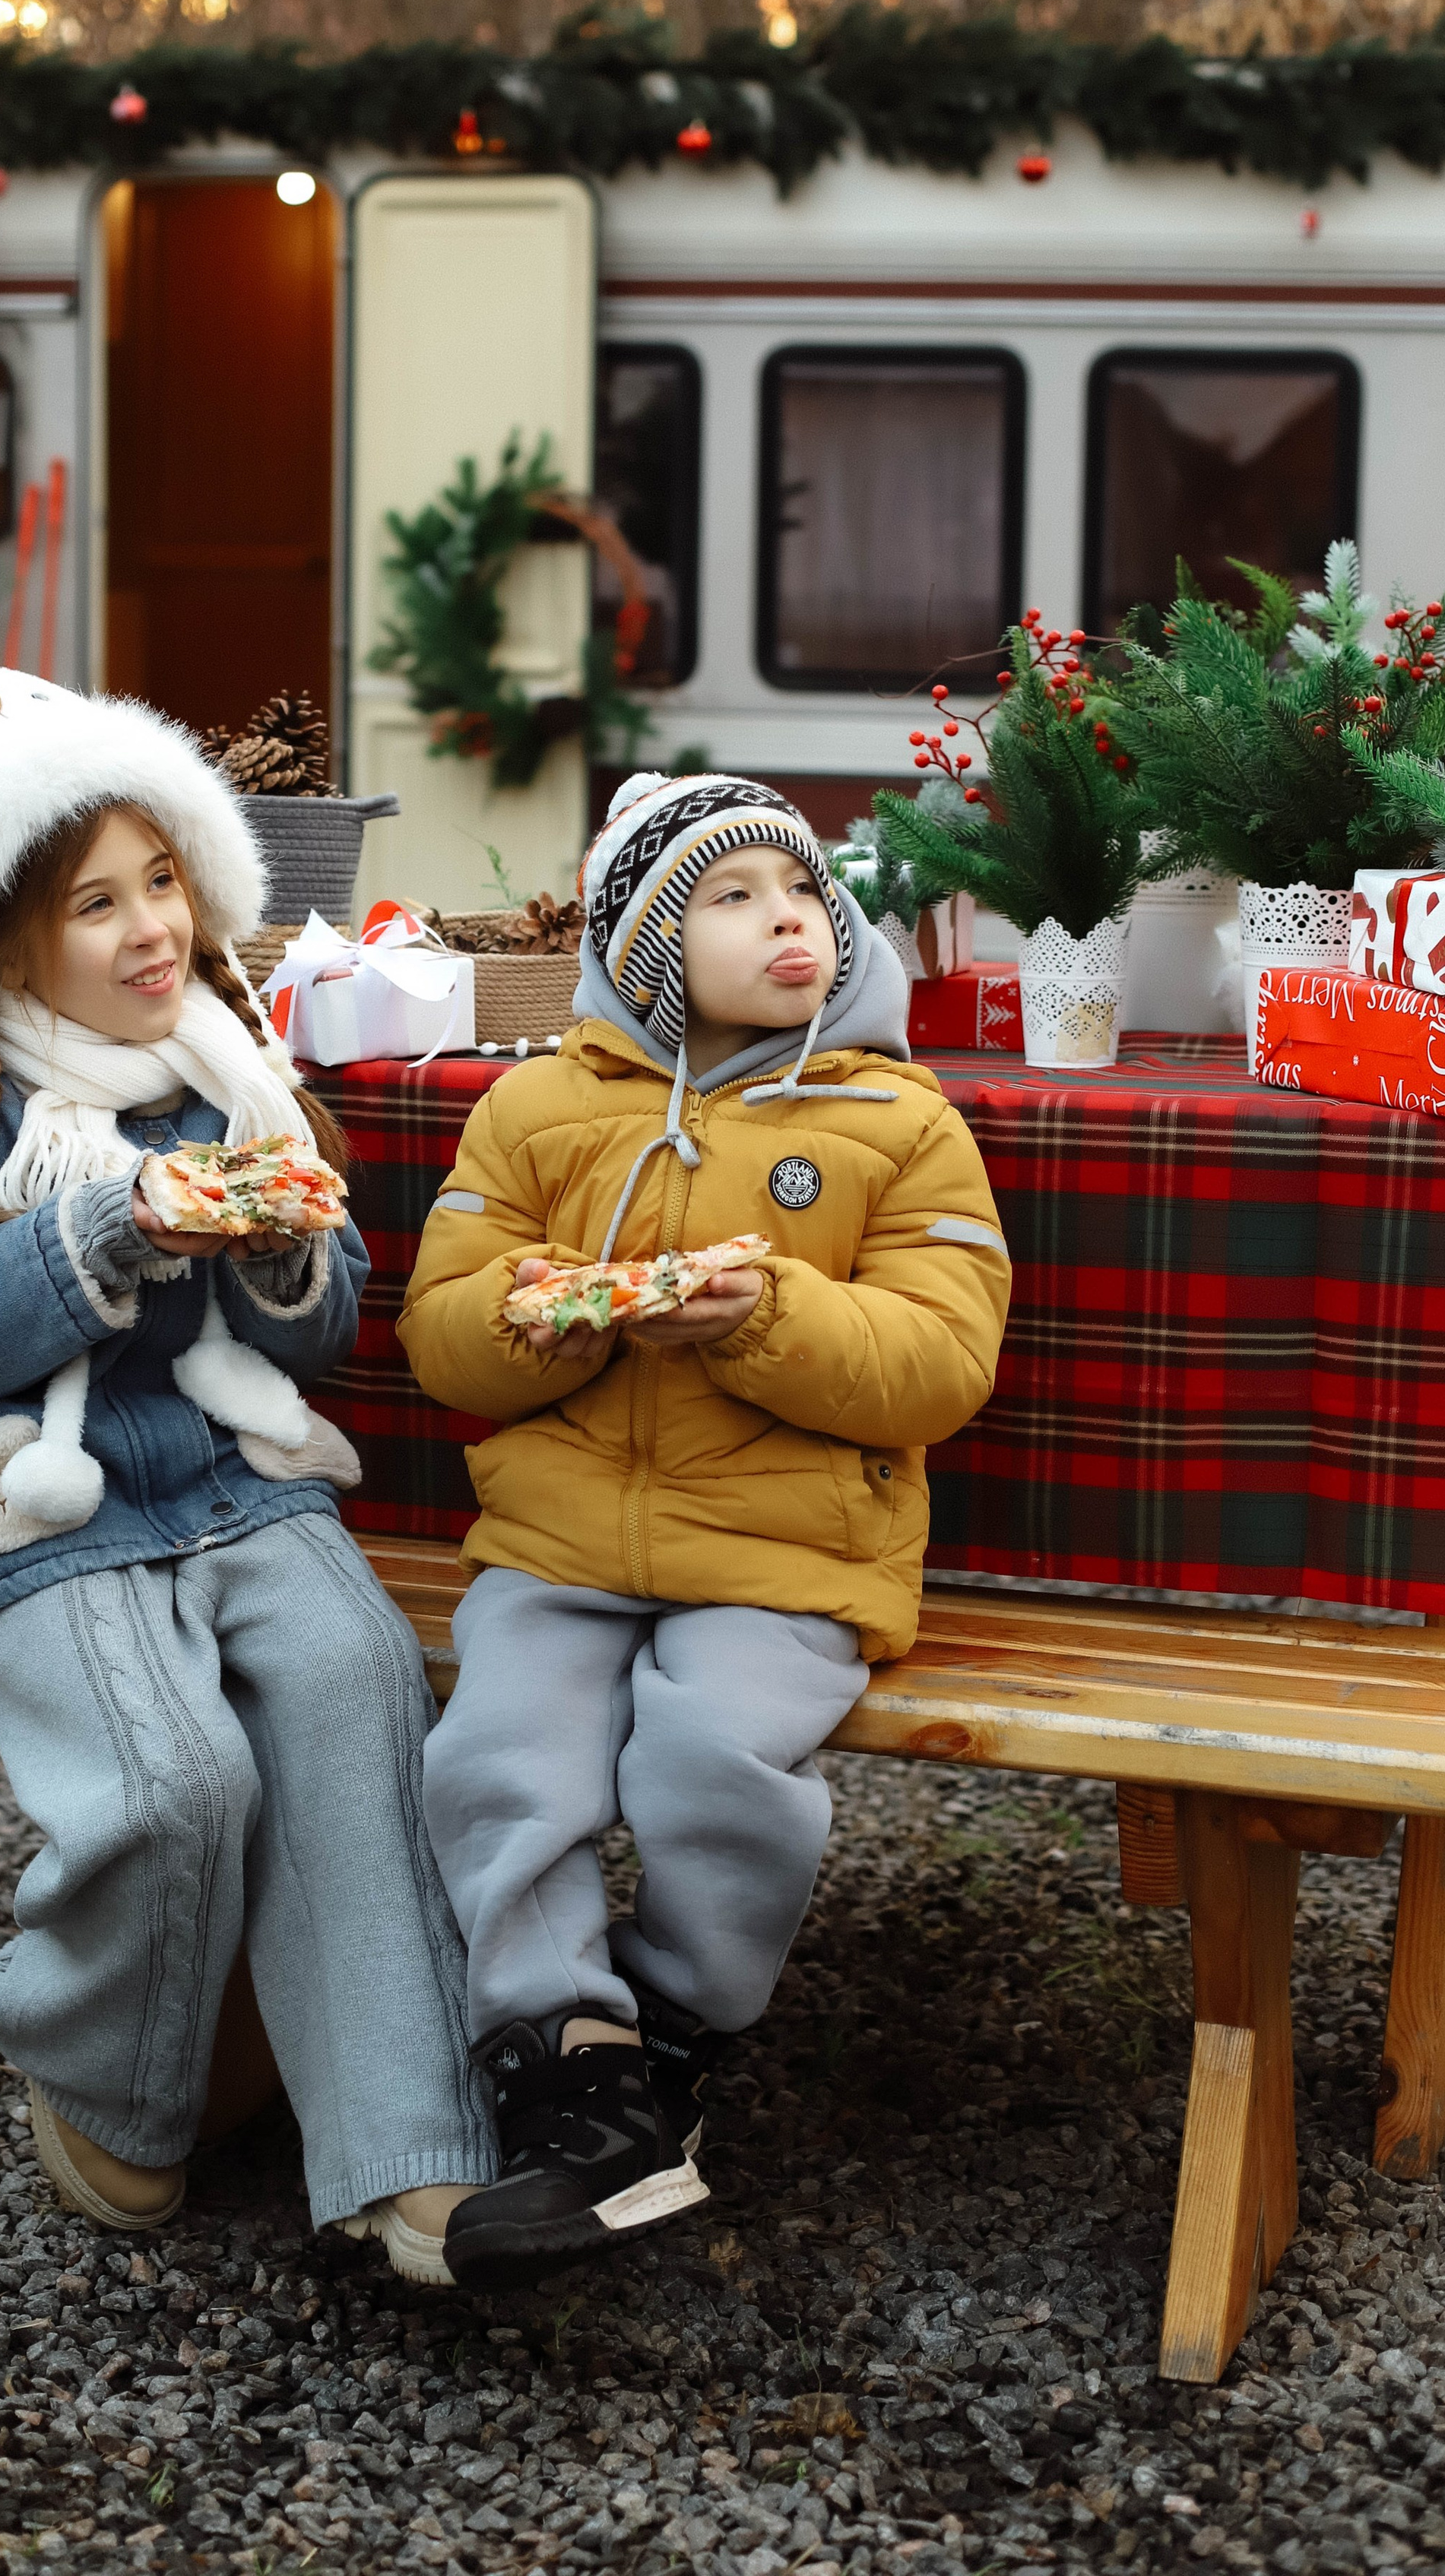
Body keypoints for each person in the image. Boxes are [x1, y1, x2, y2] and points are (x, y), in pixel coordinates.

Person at [0, 667, 496, 2278]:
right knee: (175, 1780)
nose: (148, 930)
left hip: (233, 1477)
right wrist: (106, 1222)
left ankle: (404, 2148)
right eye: (93, 903)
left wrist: (278, 1238)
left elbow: (316, 1336)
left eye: (163, 880)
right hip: (35, 1502)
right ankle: (104, 2069)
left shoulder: (223, 1063)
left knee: (355, 1680)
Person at [399, 771, 1011, 2291]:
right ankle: (563, 2045)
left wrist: (770, 1316)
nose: (785, 919)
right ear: (647, 946)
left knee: (715, 1757)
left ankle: (672, 2028)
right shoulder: (537, 1111)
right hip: (558, 1541)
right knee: (500, 1752)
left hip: (788, 1550)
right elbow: (441, 1331)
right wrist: (546, 1319)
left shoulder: (896, 1120)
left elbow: (939, 1361)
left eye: (801, 891)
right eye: (728, 899)